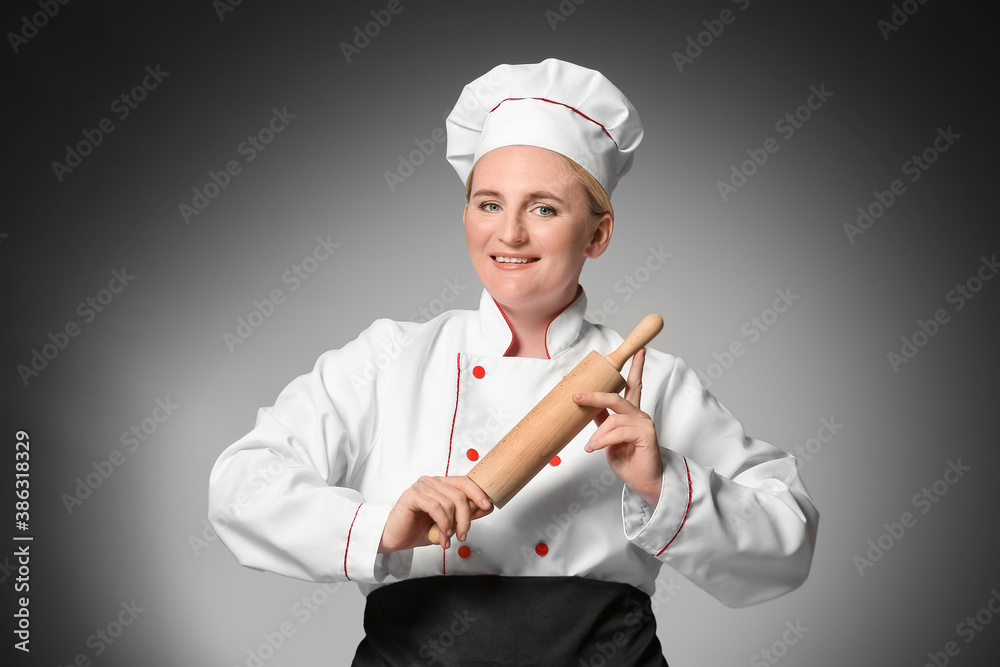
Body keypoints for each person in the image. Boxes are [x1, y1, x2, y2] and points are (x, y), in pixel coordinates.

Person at [208, 58, 819, 665]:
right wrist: (379, 527)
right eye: (489, 204)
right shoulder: (392, 357)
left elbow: (788, 543)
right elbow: (242, 487)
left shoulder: (650, 382)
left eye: (544, 208)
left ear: (598, 234)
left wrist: (663, 482)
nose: (511, 235)